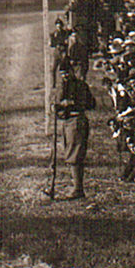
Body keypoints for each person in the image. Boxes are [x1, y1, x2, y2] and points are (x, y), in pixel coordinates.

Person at [53, 60, 96, 199]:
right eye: (62, 74)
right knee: (70, 153)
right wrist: (59, 108)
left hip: (77, 120)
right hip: (67, 122)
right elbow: (58, 105)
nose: (65, 76)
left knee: (75, 155)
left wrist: (71, 104)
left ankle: (78, 189)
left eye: (67, 73)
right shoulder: (62, 86)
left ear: (72, 71)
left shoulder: (80, 85)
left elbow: (90, 104)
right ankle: (76, 187)